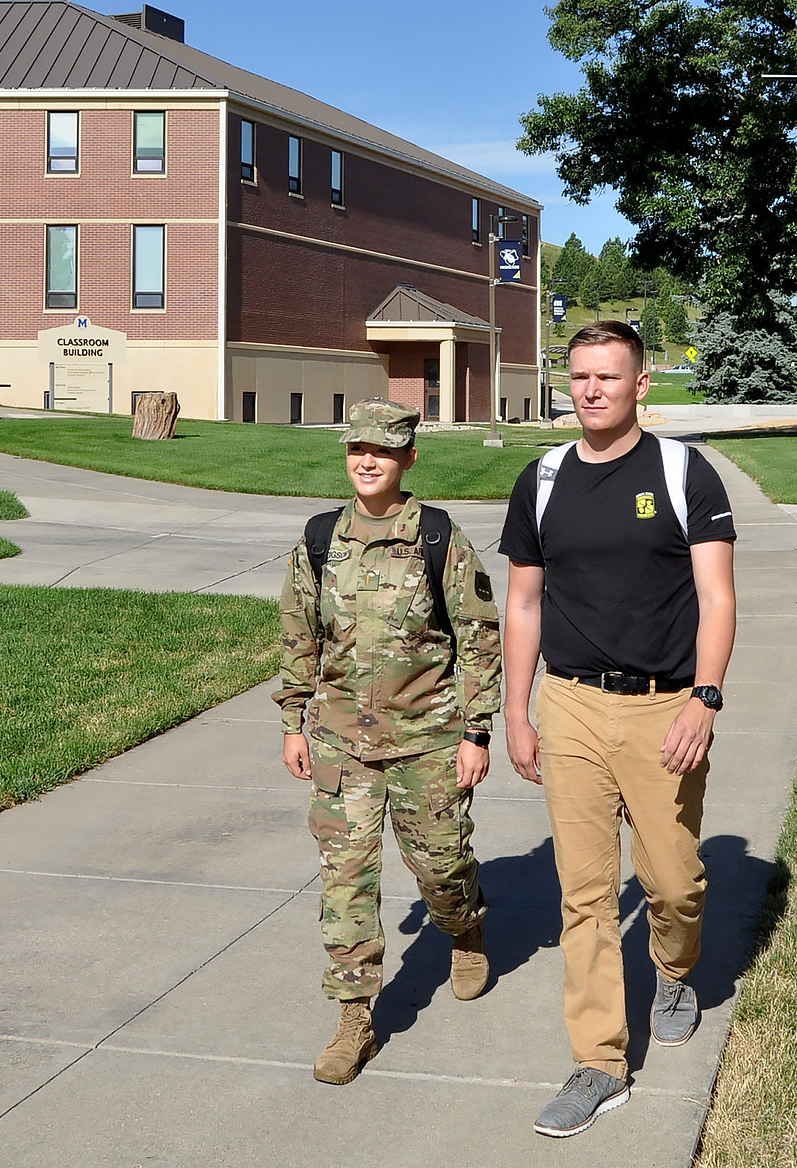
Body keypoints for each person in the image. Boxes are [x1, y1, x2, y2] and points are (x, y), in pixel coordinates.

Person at [497, 320, 738, 1138]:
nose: (591, 390)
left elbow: (717, 597)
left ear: (642, 385)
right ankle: (599, 1063)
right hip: (568, 705)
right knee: (587, 896)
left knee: (672, 882)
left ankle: (674, 971)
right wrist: (515, 708)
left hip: (664, 706)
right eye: (579, 376)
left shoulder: (682, 473)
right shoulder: (543, 478)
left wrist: (704, 698)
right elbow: (524, 602)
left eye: (607, 376)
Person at [275, 397, 503, 1085]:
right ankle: (354, 1020)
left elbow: (480, 638)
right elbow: (297, 635)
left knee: (439, 866)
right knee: (346, 882)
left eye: (382, 450)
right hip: (342, 742)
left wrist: (476, 731)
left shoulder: (439, 539)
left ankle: (463, 927)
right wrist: (293, 720)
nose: (367, 461)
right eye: (356, 450)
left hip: (428, 740)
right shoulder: (319, 540)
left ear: (408, 457)